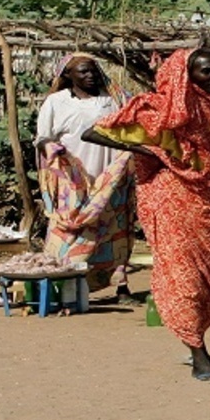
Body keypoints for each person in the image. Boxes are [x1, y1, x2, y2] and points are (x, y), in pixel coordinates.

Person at [83, 48, 210, 383]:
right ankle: (198, 356)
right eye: (206, 71)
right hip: (173, 203)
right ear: (186, 76)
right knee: (186, 279)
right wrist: (151, 151)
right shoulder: (163, 109)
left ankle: (198, 343)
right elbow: (93, 133)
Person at [36, 53, 137, 305]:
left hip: (111, 175)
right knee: (69, 228)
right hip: (73, 180)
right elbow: (42, 137)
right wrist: (51, 150)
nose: (90, 75)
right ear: (68, 75)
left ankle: (121, 286)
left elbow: (135, 125)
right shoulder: (56, 102)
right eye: (82, 71)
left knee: (114, 229)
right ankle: (62, 285)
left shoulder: (113, 100)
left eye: (93, 70)